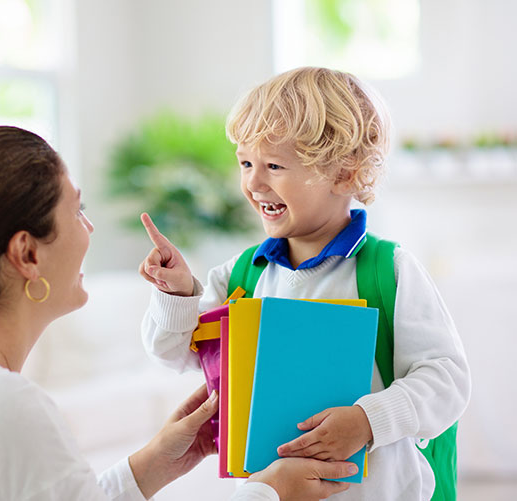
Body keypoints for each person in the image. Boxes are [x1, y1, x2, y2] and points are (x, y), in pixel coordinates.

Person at [0, 126, 357, 501]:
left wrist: (149, 465)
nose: (89, 230)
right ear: (27, 254)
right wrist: (270, 490)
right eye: (78, 209)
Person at [139, 67, 471, 500]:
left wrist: (368, 420)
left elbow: (447, 380)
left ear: (345, 174)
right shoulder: (241, 277)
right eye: (246, 163)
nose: (254, 184)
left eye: (274, 165)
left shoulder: (389, 270)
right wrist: (178, 295)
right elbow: (171, 355)